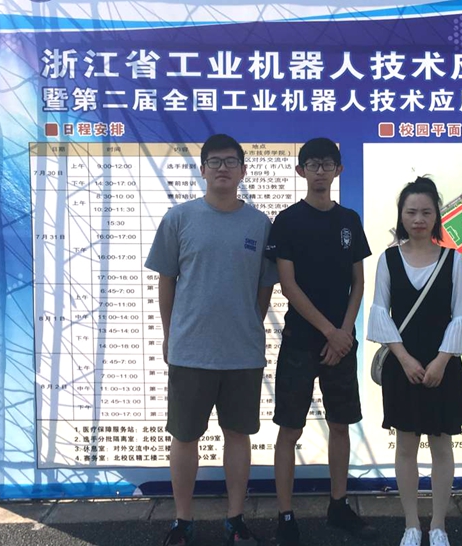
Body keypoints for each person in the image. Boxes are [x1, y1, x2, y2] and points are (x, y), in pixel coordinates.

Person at [145, 134, 278, 546]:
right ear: (202, 170)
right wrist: (170, 334)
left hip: (242, 353)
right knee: (185, 437)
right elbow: (167, 281)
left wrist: (249, 324)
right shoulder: (179, 218)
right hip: (191, 352)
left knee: (238, 435)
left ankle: (235, 519)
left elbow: (265, 286)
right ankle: (182, 521)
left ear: (243, 170)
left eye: (230, 161)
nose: (223, 168)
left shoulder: (260, 224)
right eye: (215, 161)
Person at [265, 137, 377, 546]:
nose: (320, 171)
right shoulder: (287, 220)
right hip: (301, 340)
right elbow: (288, 285)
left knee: (341, 424)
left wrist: (344, 332)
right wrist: (331, 332)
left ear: (338, 170)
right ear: (300, 171)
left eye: (327, 164)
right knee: (289, 428)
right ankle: (285, 514)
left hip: (341, 342)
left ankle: (338, 505)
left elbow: (358, 282)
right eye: (312, 164)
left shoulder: (348, 219)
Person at [367, 177, 462, 546]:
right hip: (403, 365)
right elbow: (380, 314)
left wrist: (441, 361)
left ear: (436, 216)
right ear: (401, 215)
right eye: (411, 212)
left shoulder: (453, 259)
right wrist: (405, 359)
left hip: (443, 365)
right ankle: (412, 525)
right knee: (406, 446)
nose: (418, 219)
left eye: (426, 212)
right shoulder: (388, 259)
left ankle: (438, 525)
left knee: (442, 447)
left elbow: (460, 316)